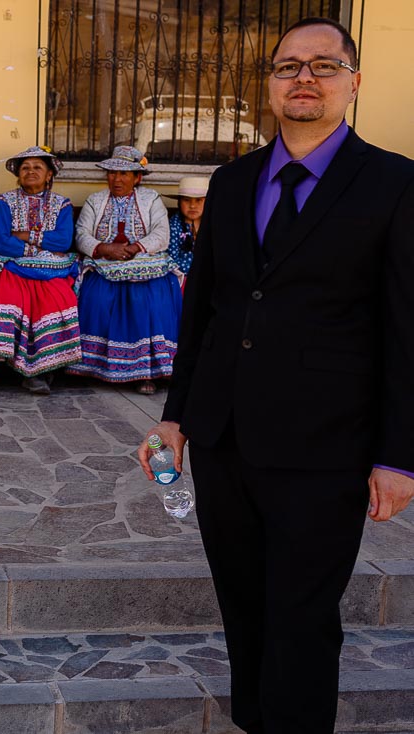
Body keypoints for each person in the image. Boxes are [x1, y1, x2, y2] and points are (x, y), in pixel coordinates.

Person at [139, 18, 414, 734]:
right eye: (289, 65)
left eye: (324, 66)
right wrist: (175, 418)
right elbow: (206, 311)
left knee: (301, 616)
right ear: (269, 84)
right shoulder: (229, 184)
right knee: (245, 607)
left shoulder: (395, 183)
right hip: (225, 436)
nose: (304, 78)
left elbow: (407, 330)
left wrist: (398, 455)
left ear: (354, 82)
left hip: (328, 444)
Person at [0, 146, 80, 393]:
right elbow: (0, 241)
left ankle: (41, 370)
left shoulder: (61, 204)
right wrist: (39, 245)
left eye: (37, 167)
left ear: (49, 175)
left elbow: (63, 241)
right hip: (9, 266)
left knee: (58, 299)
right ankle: (13, 367)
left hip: (50, 271)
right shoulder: (5, 201)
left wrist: (24, 235)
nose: (30, 172)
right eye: (25, 167)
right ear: (18, 174)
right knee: (6, 299)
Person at [69, 145, 180, 395]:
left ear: (137, 178)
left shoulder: (150, 198)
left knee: (147, 300)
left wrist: (135, 248)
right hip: (104, 262)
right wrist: (104, 249)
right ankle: (96, 366)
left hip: (144, 260)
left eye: (124, 174)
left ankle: (146, 372)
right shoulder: (95, 200)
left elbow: (162, 234)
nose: (116, 179)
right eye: (112, 173)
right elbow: (81, 234)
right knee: (97, 297)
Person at [167, 176, 208, 283]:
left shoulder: (212, 224)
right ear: (179, 202)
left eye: (198, 200)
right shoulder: (174, 224)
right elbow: (171, 259)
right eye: (186, 200)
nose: (192, 206)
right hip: (182, 278)